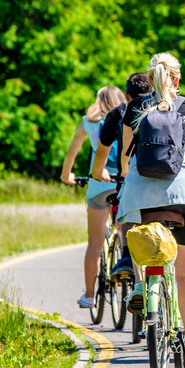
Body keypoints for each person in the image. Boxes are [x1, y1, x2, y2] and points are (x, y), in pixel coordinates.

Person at [92, 53, 185, 368]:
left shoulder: (135, 107)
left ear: (150, 77)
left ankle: (141, 286)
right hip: (181, 193)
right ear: (177, 78)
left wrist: (126, 177)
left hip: (140, 193)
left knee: (134, 232)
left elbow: (126, 156)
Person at [60, 85, 127, 308]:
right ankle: (128, 268)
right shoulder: (128, 117)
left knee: (95, 244)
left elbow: (72, 150)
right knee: (127, 231)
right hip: (124, 182)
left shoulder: (89, 121)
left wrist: (66, 175)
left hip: (99, 184)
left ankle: (89, 296)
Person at [92, 72, 153, 279]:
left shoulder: (119, 112)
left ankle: (126, 256)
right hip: (163, 178)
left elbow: (102, 152)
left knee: (127, 211)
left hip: (129, 176)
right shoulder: (163, 107)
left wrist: (97, 173)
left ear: (126, 94)